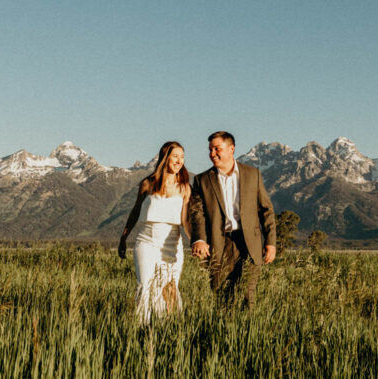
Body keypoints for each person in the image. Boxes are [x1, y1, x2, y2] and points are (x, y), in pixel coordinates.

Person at [189, 131, 277, 309]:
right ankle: (224, 335)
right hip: (219, 244)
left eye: (217, 149)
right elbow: (197, 214)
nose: (212, 154)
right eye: (210, 150)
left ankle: (247, 335)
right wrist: (199, 239)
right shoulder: (202, 180)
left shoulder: (253, 174)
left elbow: (266, 210)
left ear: (231, 149)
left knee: (247, 297)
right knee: (221, 296)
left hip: (249, 244)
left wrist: (271, 242)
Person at [118, 141, 191, 323]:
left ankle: (170, 327)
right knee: (145, 286)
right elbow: (135, 211)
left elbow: (185, 220)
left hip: (172, 244)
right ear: (165, 158)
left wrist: (196, 240)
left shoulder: (185, 187)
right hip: (146, 241)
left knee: (170, 288)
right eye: (175, 156)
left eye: (182, 157)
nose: (179, 161)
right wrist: (124, 237)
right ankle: (141, 328)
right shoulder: (147, 184)